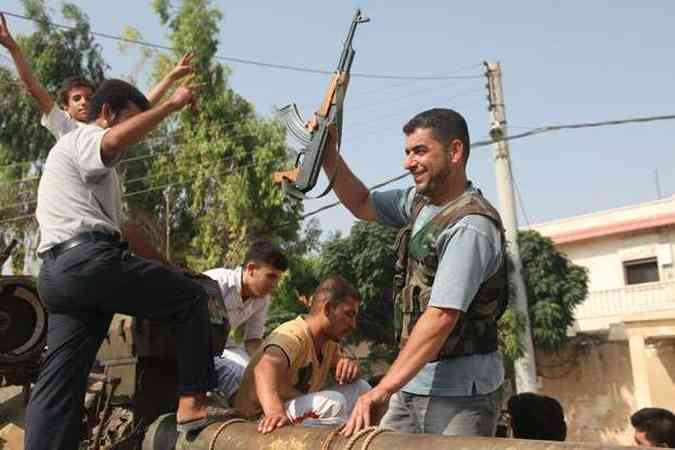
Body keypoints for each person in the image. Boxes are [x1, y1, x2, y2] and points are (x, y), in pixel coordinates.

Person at [24, 78, 220, 450]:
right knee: (191, 299)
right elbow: (114, 139)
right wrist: (171, 106)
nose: (136, 134)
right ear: (108, 114)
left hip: (58, 273)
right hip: (88, 263)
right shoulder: (83, 137)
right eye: (130, 119)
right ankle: (193, 403)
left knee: (61, 381)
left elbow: (124, 230)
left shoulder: (95, 173)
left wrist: (168, 266)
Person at [322, 108, 508, 437]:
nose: (409, 163)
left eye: (420, 151)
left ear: (455, 151)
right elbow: (362, 203)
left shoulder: (471, 226)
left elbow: (440, 318)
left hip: (461, 395)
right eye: (407, 153)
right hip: (412, 383)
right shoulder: (419, 203)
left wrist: (381, 390)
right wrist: (328, 156)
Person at [0, 12, 193, 139]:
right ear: (65, 107)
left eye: (88, 97)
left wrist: (171, 77)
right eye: (77, 99)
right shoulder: (64, 125)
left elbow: (142, 106)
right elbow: (34, 87)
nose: (84, 102)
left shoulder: (104, 125)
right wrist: (13, 48)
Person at [232, 275, 371, 434]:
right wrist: (274, 412)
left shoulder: (329, 344)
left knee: (362, 390)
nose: (353, 325)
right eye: (349, 314)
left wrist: (350, 367)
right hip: (258, 418)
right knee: (334, 403)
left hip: (293, 411)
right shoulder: (293, 333)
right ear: (327, 309)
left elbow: (349, 370)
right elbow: (264, 368)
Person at [203, 239, 288, 400]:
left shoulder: (262, 299)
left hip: (223, 347)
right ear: (250, 269)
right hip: (196, 348)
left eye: (277, 278)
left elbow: (253, 341)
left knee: (261, 376)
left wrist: (269, 366)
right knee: (243, 375)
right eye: (270, 276)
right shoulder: (216, 282)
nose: (274, 284)